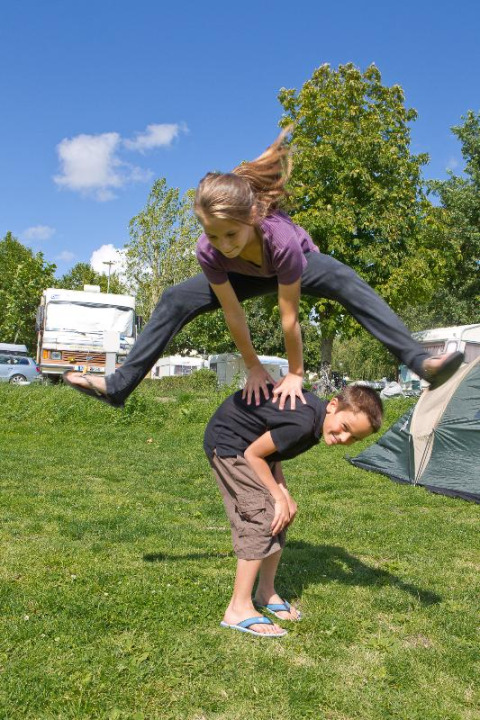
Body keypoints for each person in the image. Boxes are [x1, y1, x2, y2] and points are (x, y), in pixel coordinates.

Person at [63, 129, 464, 408]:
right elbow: (234, 313)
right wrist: (253, 367)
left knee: (345, 279)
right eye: (213, 236)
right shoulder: (211, 251)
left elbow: (289, 319)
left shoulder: (281, 239)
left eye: (230, 235)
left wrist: (295, 373)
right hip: (246, 275)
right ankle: (118, 386)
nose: (222, 245)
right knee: (174, 298)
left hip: (299, 264)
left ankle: (420, 362)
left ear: (252, 217)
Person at [204, 383, 384, 637]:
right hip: (230, 445)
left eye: (354, 438)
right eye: (345, 428)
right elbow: (253, 454)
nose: (344, 439)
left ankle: (265, 592)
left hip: (249, 447)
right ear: (333, 405)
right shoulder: (303, 424)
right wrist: (277, 494)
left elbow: (272, 448)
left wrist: (284, 494)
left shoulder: (313, 421)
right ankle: (238, 608)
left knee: (282, 512)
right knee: (259, 517)